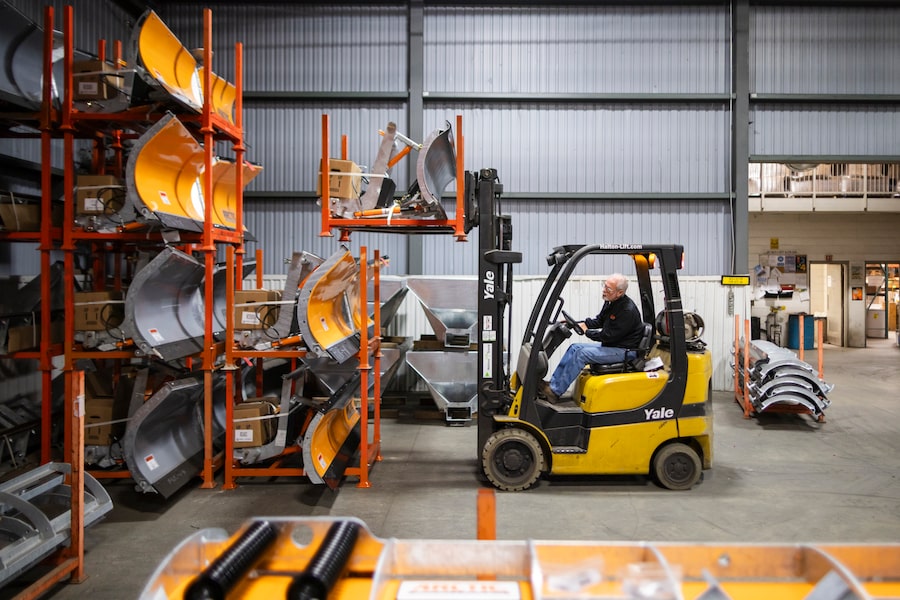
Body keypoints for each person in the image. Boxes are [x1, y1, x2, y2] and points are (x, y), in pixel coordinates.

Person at [538, 273, 645, 403]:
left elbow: (608, 337)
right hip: (613, 346)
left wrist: (587, 332)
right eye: (604, 286)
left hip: (624, 350)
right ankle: (554, 384)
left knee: (582, 354)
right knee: (574, 348)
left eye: (608, 289)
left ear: (619, 292)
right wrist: (579, 323)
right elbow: (599, 320)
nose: (604, 290)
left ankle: (554, 392)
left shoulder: (626, 310)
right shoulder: (611, 302)